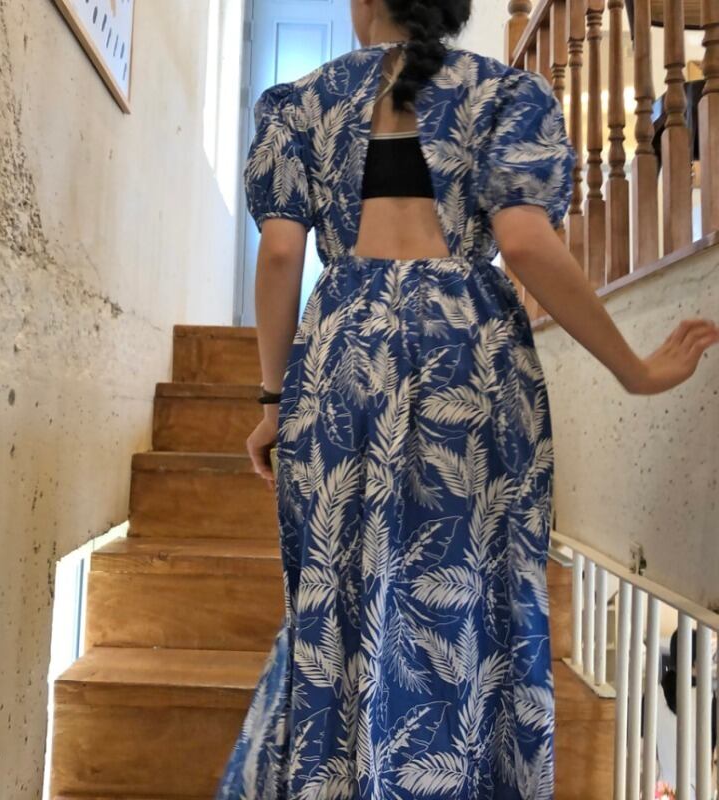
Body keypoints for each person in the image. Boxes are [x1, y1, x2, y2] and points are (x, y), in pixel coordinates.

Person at [216, 1, 719, 797]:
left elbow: (280, 255)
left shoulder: (301, 104)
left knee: (339, 593)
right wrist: (633, 369)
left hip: (343, 356)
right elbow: (523, 243)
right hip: (470, 357)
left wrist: (273, 403)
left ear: (366, 3)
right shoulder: (504, 94)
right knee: (475, 590)